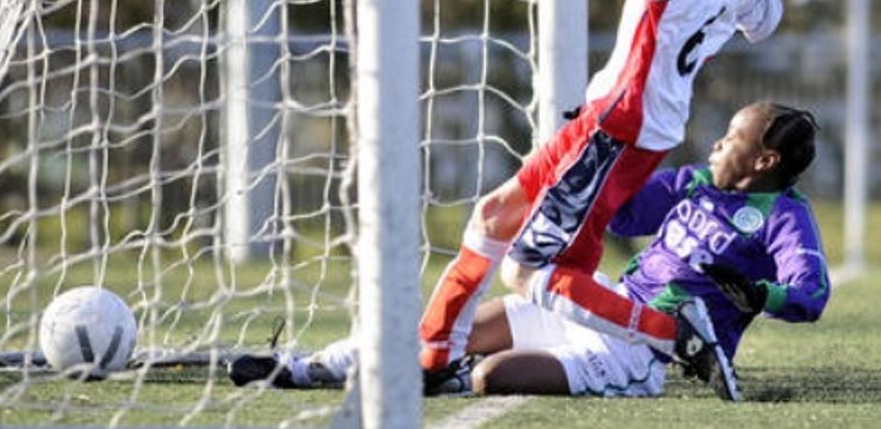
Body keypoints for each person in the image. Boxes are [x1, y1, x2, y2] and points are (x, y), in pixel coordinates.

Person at [417, 0, 783, 400]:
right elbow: (766, 20)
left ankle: (673, 334)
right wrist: (707, 22)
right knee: (494, 215)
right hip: (632, 127)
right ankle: (435, 354)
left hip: (616, 125)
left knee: (528, 271)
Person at [230, 102, 829, 401]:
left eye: (731, 139)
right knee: (443, 334)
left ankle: (436, 381)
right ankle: (310, 368)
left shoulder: (786, 219)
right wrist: (590, 158)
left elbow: (810, 294)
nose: (718, 143)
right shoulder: (695, 182)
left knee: (492, 378)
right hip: (606, 302)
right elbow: (621, 207)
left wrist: (758, 293)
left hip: (649, 350)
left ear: (764, 161)